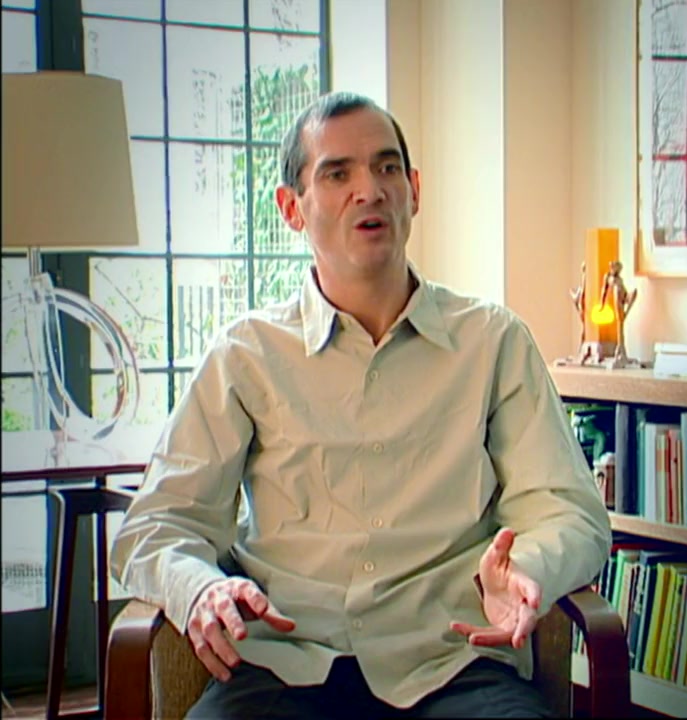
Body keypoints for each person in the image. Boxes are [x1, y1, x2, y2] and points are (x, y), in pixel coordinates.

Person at [110, 90, 612, 719]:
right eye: (337, 174)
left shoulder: (493, 341)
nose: (369, 190)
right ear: (291, 208)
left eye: (386, 167)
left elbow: (572, 512)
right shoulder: (246, 354)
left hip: (452, 662)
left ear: (414, 191)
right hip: (283, 665)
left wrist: (525, 569)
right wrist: (199, 589)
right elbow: (155, 527)